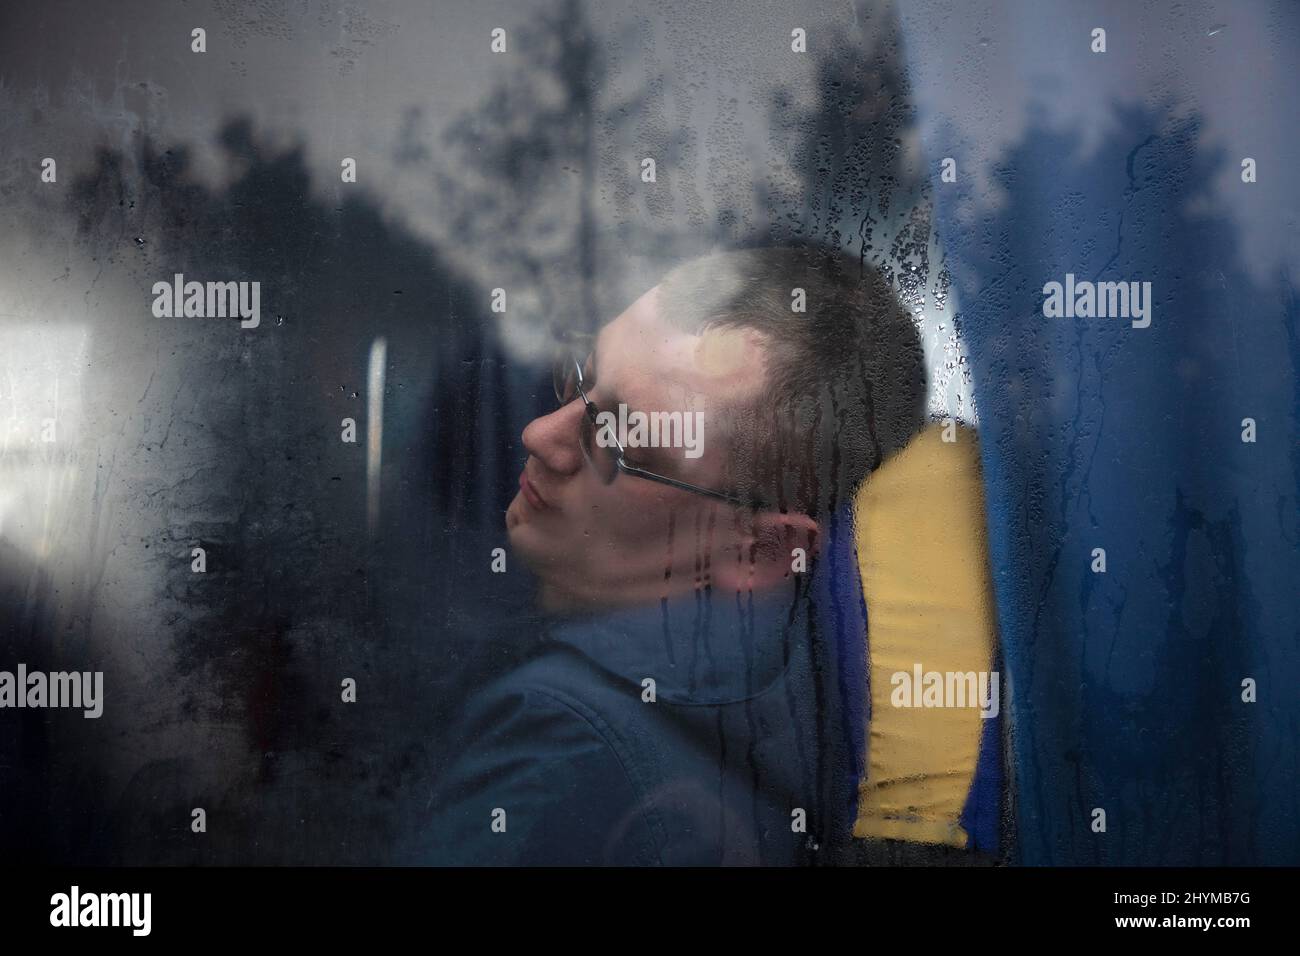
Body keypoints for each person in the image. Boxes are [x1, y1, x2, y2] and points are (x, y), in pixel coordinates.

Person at [412, 246, 925, 865]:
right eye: (580, 375)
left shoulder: (561, 742)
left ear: (761, 550)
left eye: (622, 440)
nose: (540, 435)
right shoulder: (806, 704)